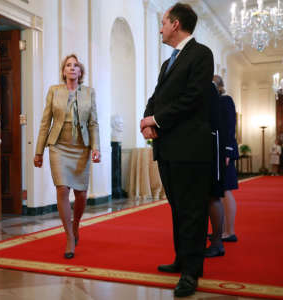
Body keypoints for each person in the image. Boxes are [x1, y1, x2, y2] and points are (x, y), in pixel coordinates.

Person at [140, 3, 214, 297]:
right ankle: (182, 259)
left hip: (191, 147)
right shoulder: (168, 62)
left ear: (176, 24)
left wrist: (156, 119)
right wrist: (146, 121)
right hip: (167, 146)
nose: (160, 28)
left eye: (163, 22)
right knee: (178, 208)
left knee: (193, 209)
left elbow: (193, 98)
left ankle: (192, 272)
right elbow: (156, 96)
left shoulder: (201, 54)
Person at [34, 54, 100, 259]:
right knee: (62, 189)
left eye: (76, 66)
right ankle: (69, 236)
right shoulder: (54, 91)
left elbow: (93, 123)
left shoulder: (89, 93)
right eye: (68, 65)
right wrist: (38, 151)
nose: (72, 68)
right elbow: (45, 122)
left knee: (81, 194)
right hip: (59, 146)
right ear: (63, 71)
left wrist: (96, 147)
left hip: (81, 147)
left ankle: (76, 223)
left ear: (80, 72)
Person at [213, 75, 239, 243]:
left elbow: (230, 126)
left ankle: (229, 232)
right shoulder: (212, 102)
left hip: (225, 152)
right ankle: (220, 231)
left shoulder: (226, 100)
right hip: (215, 152)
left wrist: (228, 151)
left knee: (226, 191)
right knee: (218, 192)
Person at [204, 80, 228, 258]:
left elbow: (225, 127)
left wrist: (228, 151)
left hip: (214, 148)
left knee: (213, 195)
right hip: (202, 149)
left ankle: (218, 242)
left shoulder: (221, 98)